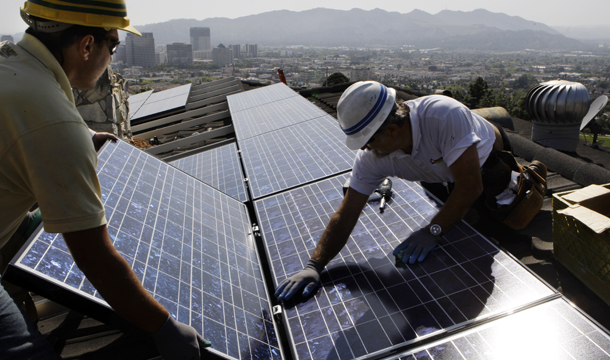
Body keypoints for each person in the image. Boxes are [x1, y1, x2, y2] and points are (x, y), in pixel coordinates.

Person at [0, 1, 210, 359]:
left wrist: (82, 138)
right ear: (86, 46)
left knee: (37, 227)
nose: (111, 57)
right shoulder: (54, 123)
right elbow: (92, 255)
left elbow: (34, 125)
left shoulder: (14, 67)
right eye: (112, 46)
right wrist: (162, 326)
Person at [275, 80, 546, 301]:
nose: (364, 149)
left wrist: (433, 231)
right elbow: (346, 213)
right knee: (451, 224)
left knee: (495, 232)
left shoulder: (442, 116)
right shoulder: (373, 156)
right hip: (438, 176)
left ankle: (521, 176)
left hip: (486, 166)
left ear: (392, 130)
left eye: (367, 142)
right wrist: (315, 265)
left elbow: (470, 186)